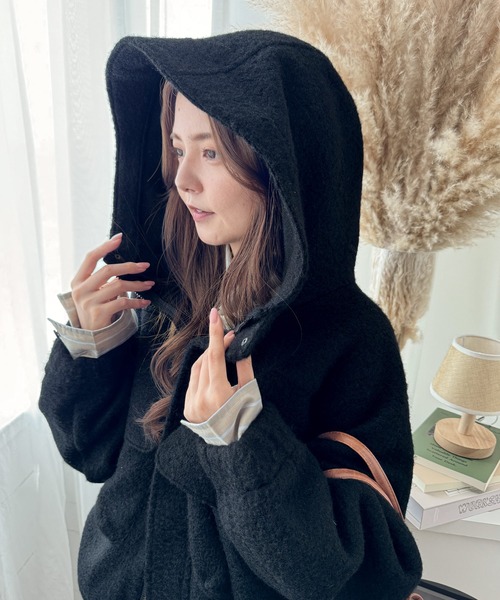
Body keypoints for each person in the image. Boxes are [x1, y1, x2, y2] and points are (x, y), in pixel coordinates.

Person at [39, 30, 422, 600]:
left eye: (211, 152)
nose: (182, 179)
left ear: (283, 166)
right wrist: (91, 347)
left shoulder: (352, 340)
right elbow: (91, 454)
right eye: (178, 148)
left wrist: (240, 440)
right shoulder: (167, 300)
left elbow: (362, 574)